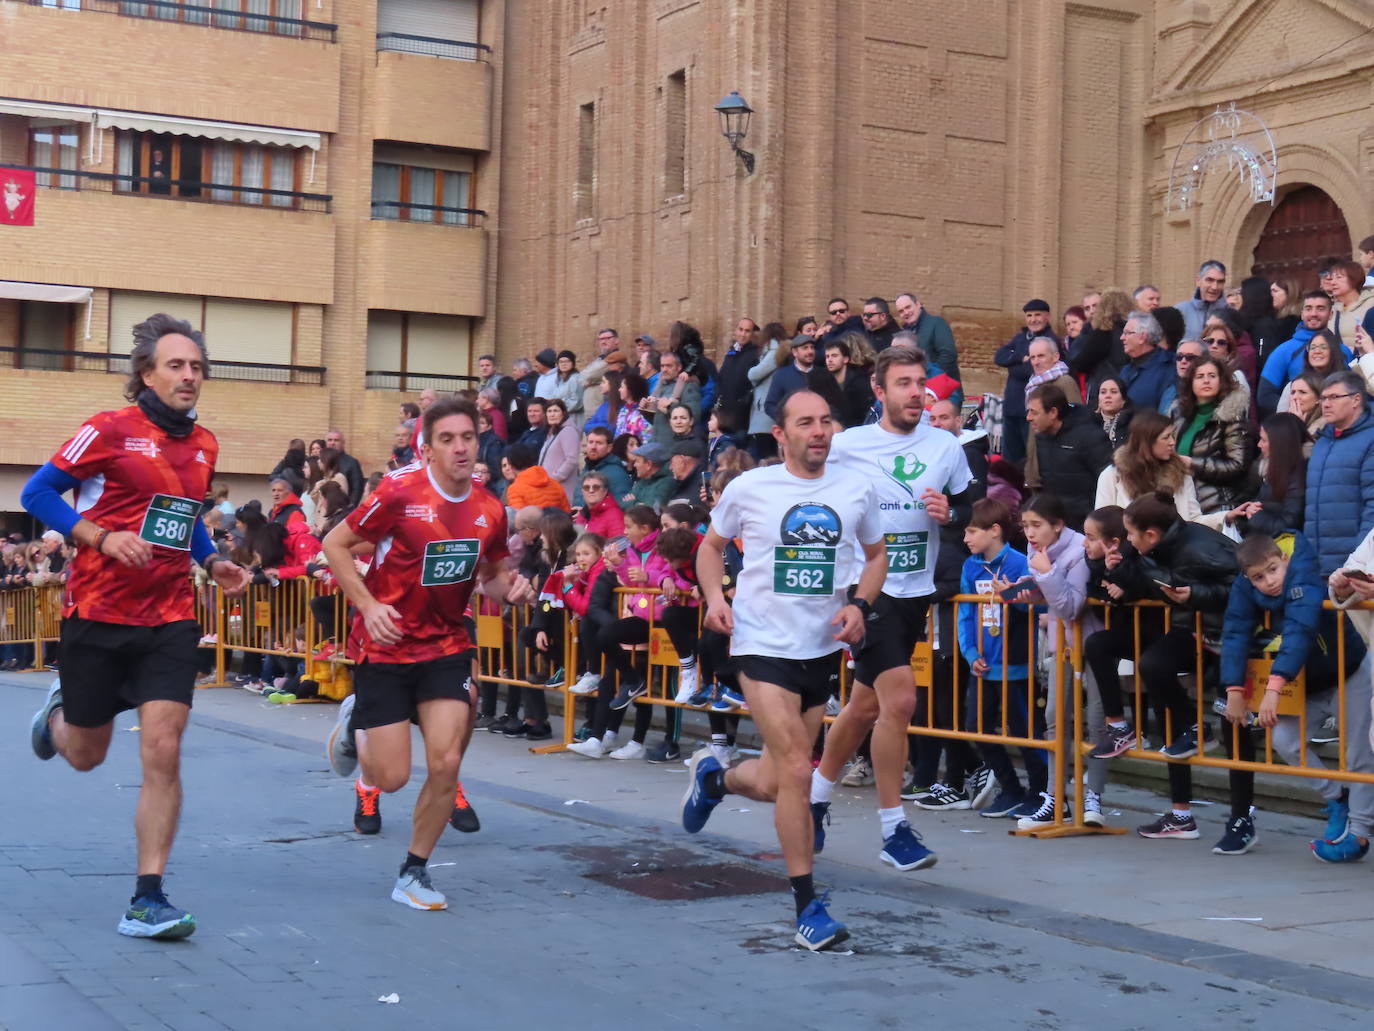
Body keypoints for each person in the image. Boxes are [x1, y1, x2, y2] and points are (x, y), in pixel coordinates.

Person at [22, 312, 252, 938]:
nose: (188, 376)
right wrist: (100, 535)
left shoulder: (203, 445)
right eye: (176, 365)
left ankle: (147, 896)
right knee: (87, 755)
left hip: (170, 615)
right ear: (147, 374)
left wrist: (213, 560)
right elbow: (36, 494)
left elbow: (186, 516)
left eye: (197, 367)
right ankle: (58, 719)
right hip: (97, 613)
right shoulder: (107, 429)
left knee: (164, 748)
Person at [684, 390, 886, 952]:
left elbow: (876, 557)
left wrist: (860, 606)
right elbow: (710, 546)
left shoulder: (854, 488)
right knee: (799, 768)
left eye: (826, 422)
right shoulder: (751, 487)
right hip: (758, 642)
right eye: (806, 422)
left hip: (818, 648)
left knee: (776, 782)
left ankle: (715, 779)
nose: (819, 431)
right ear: (781, 434)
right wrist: (713, 596)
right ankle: (807, 907)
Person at [321, 398, 535, 911]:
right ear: (428, 447)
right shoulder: (398, 493)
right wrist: (369, 606)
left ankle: (414, 871)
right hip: (387, 644)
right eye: (448, 439)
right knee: (392, 778)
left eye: (468, 437)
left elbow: (491, 577)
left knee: (447, 760)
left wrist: (514, 591)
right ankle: (355, 726)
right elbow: (334, 544)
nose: (461, 447)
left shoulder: (490, 509)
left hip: (446, 645)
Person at [810, 346, 972, 868]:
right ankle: (893, 829)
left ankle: (811, 799)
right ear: (879, 391)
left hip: (915, 591)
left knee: (863, 708)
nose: (915, 393)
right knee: (899, 701)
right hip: (864, 590)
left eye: (920, 383)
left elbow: (974, 500)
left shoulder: (946, 446)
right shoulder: (848, 445)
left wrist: (952, 512)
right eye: (903, 383)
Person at [1217, 531, 1369, 857]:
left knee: (1358, 755)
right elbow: (1234, 634)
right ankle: (1337, 799)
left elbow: (1300, 631)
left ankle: (1358, 835)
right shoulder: (1244, 589)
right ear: (1247, 577)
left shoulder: (1303, 575)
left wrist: (1273, 687)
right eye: (1259, 577)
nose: (1270, 581)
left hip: (1348, 671)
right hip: (1307, 684)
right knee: (1284, 741)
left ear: (1283, 561)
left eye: (1273, 570)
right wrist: (1233, 688)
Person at [1103, 492, 1238, 839]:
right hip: (1188, 629)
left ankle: (1241, 818)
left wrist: (1194, 594)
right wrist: (1112, 566)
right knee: (1153, 665)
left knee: (1238, 732)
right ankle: (1192, 733)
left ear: (1151, 534)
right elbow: (1136, 579)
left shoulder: (1200, 547)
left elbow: (1242, 585)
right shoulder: (1150, 546)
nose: (1128, 539)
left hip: (1228, 637)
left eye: (1132, 534)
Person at [1013, 493, 1111, 829]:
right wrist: (1030, 590)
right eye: (1025, 525)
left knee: (1098, 720)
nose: (1029, 532)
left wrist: (1047, 574)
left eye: (1036, 525)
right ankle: (1056, 799)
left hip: (1092, 643)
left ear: (1058, 525)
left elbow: (1072, 606)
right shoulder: (1037, 551)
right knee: (1054, 719)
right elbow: (1054, 597)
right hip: (1060, 644)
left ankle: (1093, 796)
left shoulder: (1079, 549)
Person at [957, 498, 1047, 819]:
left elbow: (1037, 607)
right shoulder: (971, 567)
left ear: (994, 531)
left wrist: (1012, 596)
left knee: (1026, 733)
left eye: (971, 532)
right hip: (982, 664)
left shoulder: (1022, 563)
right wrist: (969, 653)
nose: (966, 539)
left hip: (1015, 665)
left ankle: (1041, 795)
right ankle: (1010, 789)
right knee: (975, 727)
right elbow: (965, 612)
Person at [1305, 369, 1374, 578]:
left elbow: (1372, 505)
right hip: (1318, 565)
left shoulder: (1371, 440)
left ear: (1356, 400)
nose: (1326, 403)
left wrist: (1359, 562)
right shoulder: (1322, 442)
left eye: (1334, 397)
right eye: (1323, 398)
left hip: (1353, 568)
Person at [1169, 356, 1254, 518]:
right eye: (1200, 376)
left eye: (1212, 376)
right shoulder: (1177, 413)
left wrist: (1193, 464)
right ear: (1190, 383)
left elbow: (1238, 465)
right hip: (1182, 500)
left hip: (1218, 503)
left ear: (1222, 381)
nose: (1206, 381)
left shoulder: (1233, 415)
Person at [1024, 384, 1113, 531]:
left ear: (1053, 413)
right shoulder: (1042, 436)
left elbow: (1107, 479)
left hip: (1086, 523)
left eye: (1034, 412)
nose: (1028, 418)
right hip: (1056, 521)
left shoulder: (1090, 437)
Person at [1094, 409, 1204, 521]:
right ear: (1146, 442)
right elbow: (1103, 524)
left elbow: (1194, 519)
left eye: (1172, 436)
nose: (1172, 442)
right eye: (1166, 437)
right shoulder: (1112, 476)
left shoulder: (1180, 472)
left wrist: (1221, 518)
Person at [994, 299, 1057, 463]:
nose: (1033, 319)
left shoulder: (1051, 341)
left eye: (1038, 315)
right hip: (1011, 408)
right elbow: (999, 357)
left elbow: (1031, 371)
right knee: (1010, 461)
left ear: (1047, 316)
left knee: (1031, 459)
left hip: (1032, 411)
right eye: (1029, 315)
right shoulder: (1021, 337)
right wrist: (1019, 358)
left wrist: (1013, 366)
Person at [1258, 290, 1334, 414]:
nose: (1314, 314)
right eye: (1308, 309)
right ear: (1302, 313)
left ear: (1330, 314)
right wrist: (1294, 411)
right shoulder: (1284, 351)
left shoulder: (1342, 350)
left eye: (1320, 309)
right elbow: (1265, 396)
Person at [894, 291, 962, 405]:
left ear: (918, 304)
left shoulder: (936, 323)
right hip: (920, 394)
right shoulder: (905, 332)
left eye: (908, 307)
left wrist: (930, 379)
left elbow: (948, 354)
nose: (905, 312)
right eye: (901, 311)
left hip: (944, 394)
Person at [1118, 312, 1176, 412]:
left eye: (1127, 333)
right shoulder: (1126, 369)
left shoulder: (1169, 366)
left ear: (1142, 337)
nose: (1122, 337)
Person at [713, 317, 761, 437]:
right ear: (736, 330)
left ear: (752, 334)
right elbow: (721, 378)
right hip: (724, 415)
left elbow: (754, 384)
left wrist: (743, 403)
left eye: (747, 331)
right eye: (740, 329)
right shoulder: (731, 352)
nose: (743, 334)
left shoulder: (755, 354)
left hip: (742, 418)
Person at [572, 425, 632, 507]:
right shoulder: (588, 467)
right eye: (590, 442)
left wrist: (585, 513)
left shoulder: (616, 473)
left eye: (599, 443)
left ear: (609, 448)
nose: (593, 447)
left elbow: (621, 506)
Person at [822, 336, 876, 428]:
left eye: (834, 356)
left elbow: (868, 412)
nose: (830, 360)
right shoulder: (823, 382)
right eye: (827, 357)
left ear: (845, 359)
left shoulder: (860, 382)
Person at [1325, 258, 1374, 352]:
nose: (1332, 282)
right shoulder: (1333, 309)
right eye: (1332, 278)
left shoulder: (1371, 304)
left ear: (1353, 279)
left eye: (1339, 277)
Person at [503, 443, 570, 511]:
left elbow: (519, 519)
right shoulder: (555, 484)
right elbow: (567, 514)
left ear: (511, 465)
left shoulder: (514, 489)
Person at [538, 398, 581, 500]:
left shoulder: (568, 431)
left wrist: (554, 478)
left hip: (560, 489)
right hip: (548, 487)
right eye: (549, 411)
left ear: (563, 413)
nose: (552, 414)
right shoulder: (552, 433)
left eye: (556, 411)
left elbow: (572, 460)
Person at [1176, 259, 1228, 340]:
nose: (1215, 287)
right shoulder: (1181, 310)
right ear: (1198, 281)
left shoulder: (1230, 313)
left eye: (1220, 282)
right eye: (1210, 280)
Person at [625, 441, 675, 511]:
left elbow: (652, 510)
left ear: (648, 464)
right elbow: (623, 503)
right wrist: (638, 504)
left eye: (637, 461)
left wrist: (632, 502)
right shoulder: (643, 480)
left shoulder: (667, 482)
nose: (634, 465)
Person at [323, 429, 365, 508]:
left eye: (336, 440)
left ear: (343, 443)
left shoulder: (352, 462)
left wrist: (350, 507)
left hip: (342, 509)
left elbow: (357, 488)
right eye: (330, 440)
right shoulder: (321, 461)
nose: (332, 443)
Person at [1093, 374, 1134, 449]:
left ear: (1123, 400)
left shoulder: (1133, 425)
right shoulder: (1089, 423)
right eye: (1103, 392)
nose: (1108, 396)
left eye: (1114, 392)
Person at [615, 372, 653, 443]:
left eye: (622, 387)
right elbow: (617, 435)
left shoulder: (644, 412)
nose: (619, 389)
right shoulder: (623, 410)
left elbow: (647, 439)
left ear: (630, 389)